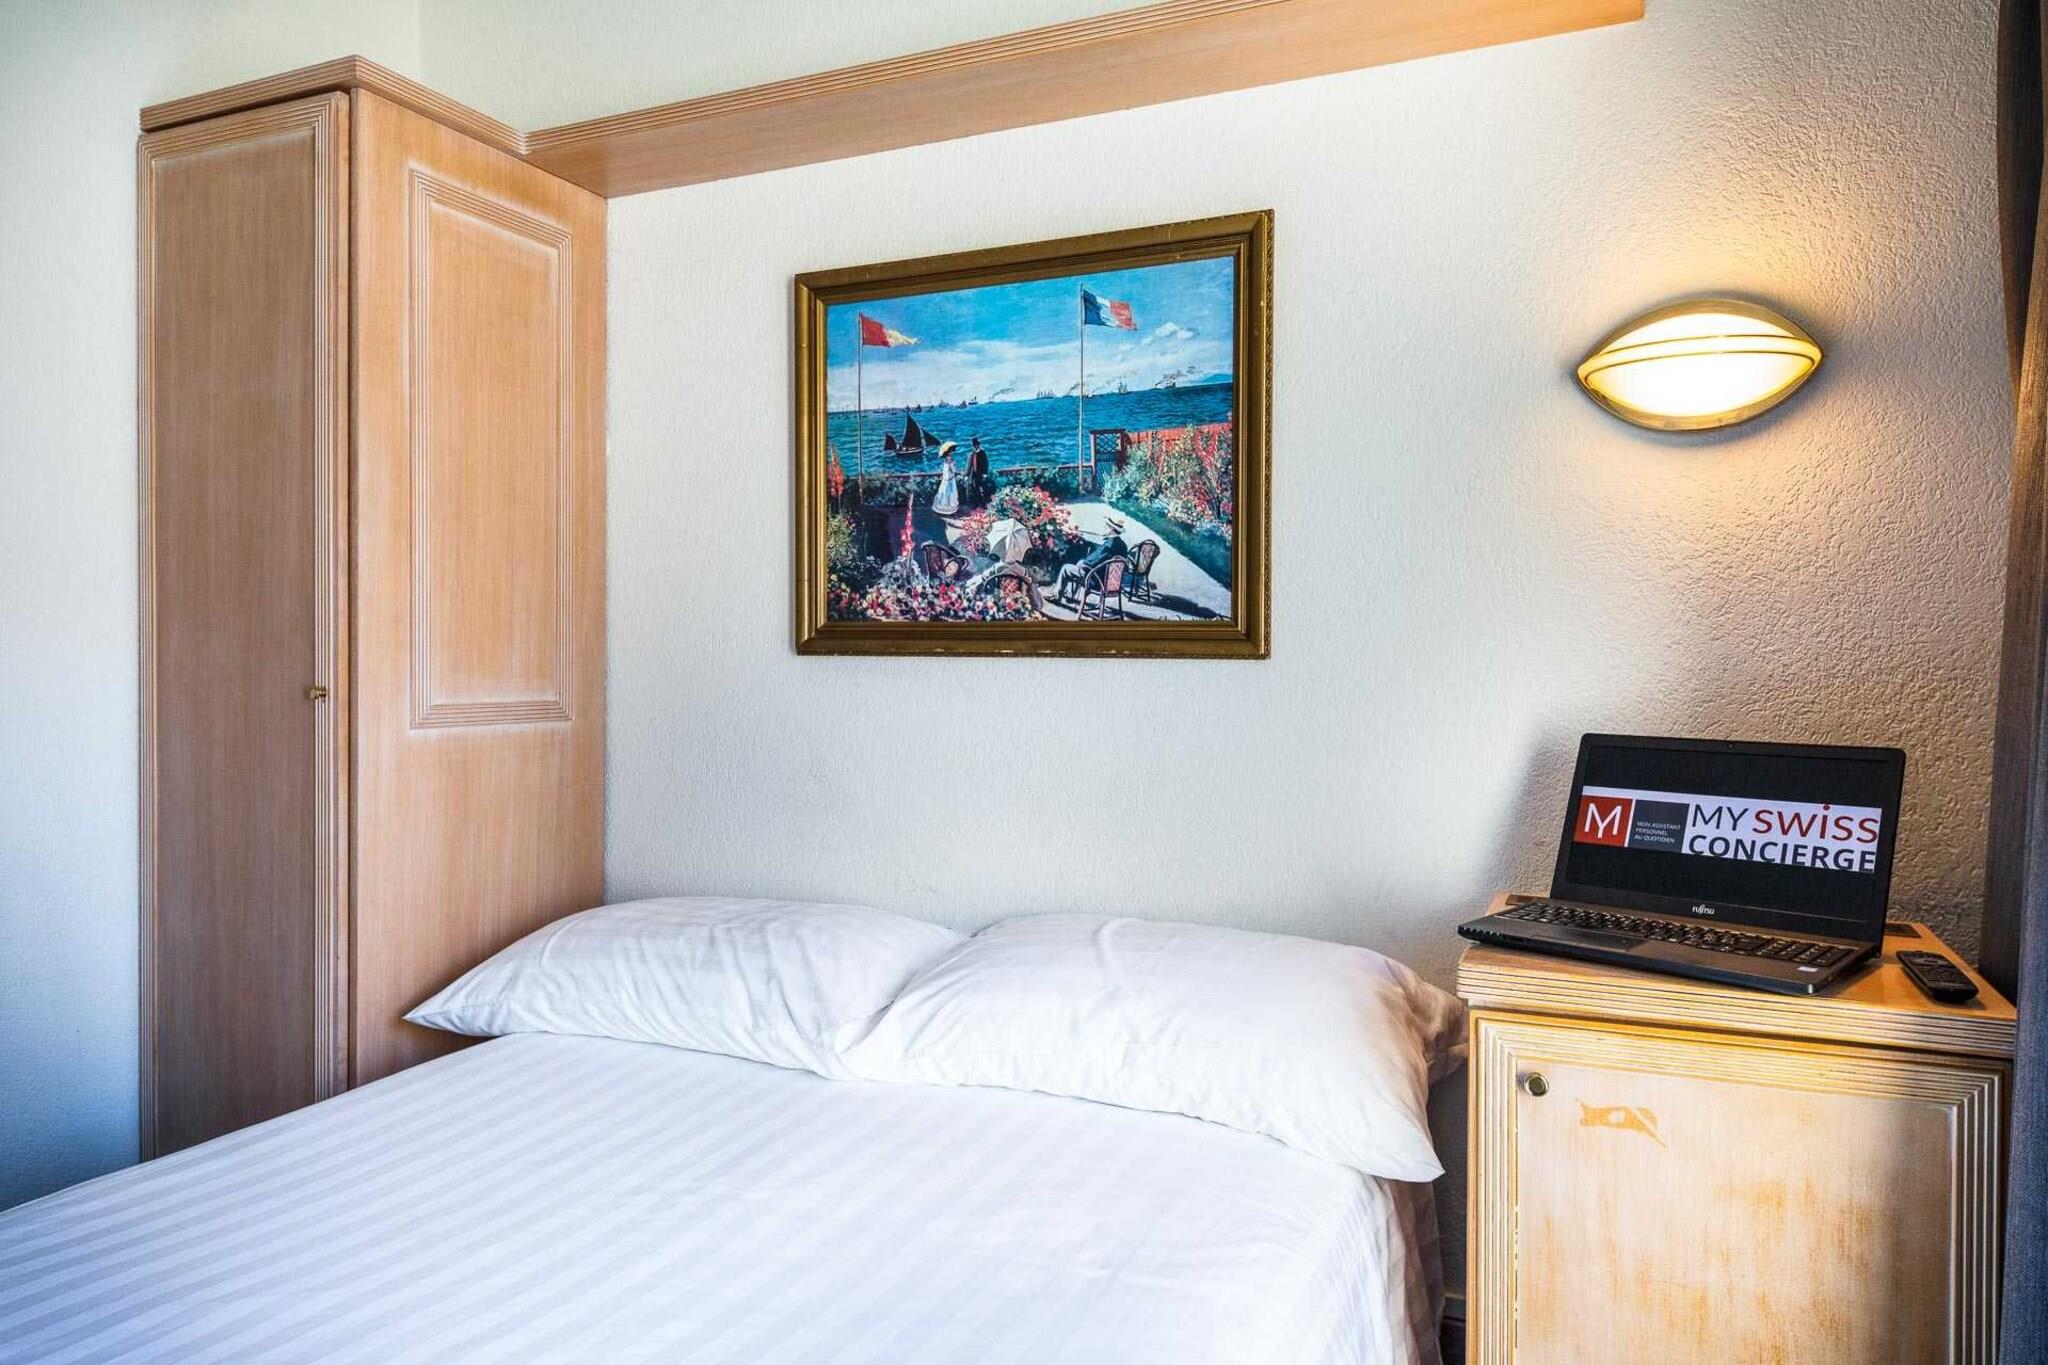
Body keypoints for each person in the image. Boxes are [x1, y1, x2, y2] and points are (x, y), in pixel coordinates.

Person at [1055, 516, 1130, 605]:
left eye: (1106, 526)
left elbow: (1092, 563)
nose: (1104, 528)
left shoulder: (1109, 545)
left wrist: (1083, 562)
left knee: (1066, 568)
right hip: (1111, 584)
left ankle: (1056, 597)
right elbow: (1122, 566)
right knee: (1080, 565)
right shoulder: (1123, 545)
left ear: (1111, 529)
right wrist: (1089, 544)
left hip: (1097, 582)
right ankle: (1070, 596)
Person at [931, 441, 961, 516]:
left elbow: (945, 471)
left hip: (945, 479)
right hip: (950, 479)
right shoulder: (951, 461)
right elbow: (954, 470)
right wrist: (954, 465)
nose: (952, 452)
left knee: (944, 494)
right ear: (949, 452)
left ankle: (942, 509)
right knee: (950, 494)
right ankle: (949, 510)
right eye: (951, 451)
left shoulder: (945, 460)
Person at [964, 436, 992, 507]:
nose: (975, 446)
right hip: (974, 475)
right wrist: (966, 475)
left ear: (978, 445)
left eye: (976, 445)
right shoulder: (972, 454)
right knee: (975, 489)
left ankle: (984, 503)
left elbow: (986, 463)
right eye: (974, 445)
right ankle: (976, 503)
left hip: (981, 474)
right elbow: (969, 465)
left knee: (983, 489)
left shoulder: (983, 453)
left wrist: (985, 473)